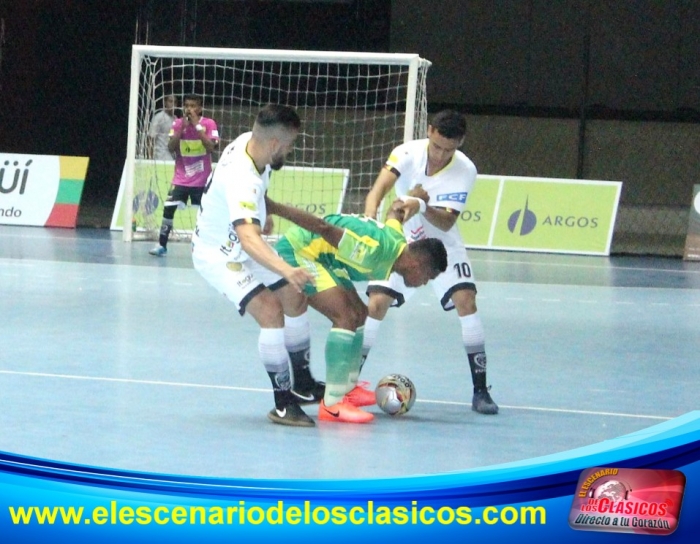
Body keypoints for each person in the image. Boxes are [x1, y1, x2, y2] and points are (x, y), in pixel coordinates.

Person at [191, 104, 325, 428]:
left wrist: (261, 218)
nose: (290, 151)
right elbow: (248, 238)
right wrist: (286, 269)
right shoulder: (243, 176)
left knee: (295, 298)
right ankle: (282, 405)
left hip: (240, 242)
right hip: (219, 254)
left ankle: (304, 384)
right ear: (276, 144)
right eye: (290, 145)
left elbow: (250, 212)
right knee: (269, 310)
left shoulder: (250, 144)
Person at [363, 110, 499, 415]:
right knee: (375, 304)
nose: (440, 155)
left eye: (449, 150)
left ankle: (480, 391)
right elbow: (378, 190)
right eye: (436, 146)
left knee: (466, 300)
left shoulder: (465, 170)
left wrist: (420, 204)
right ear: (429, 131)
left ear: (460, 143)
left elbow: (447, 222)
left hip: (442, 243)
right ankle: (346, 385)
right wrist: (371, 219)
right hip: (402, 241)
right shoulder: (406, 153)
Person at [269, 198, 448, 424]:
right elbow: (322, 228)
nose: (423, 283)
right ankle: (332, 404)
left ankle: (348, 390)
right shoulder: (372, 251)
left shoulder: (398, 242)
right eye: (427, 278)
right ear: (417, 265)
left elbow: (394, 213)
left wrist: (415, 199)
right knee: (344, 317)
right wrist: (274, 207)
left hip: (328, 257)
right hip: (299, 251)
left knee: (360, 314)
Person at [149, 94, 219, 256]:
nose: (189, 109)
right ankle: (162, 245)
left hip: (202, 181)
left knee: (207, 215)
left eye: (193, 106)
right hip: (180, 178)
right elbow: (171, 147)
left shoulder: (209, 124)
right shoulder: (178, 123)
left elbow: (210, 148)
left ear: (200, 109)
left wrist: (197, 127)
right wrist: (183, 128)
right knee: (168, 209)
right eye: (187, 106)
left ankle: (208, 246)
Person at [148, 94, 178, 161]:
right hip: (160, 156)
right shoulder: (158, 117)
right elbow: (151, 139)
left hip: (173, 155)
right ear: (165, 102)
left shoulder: (176, 119)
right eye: (170, 101)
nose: (173, 104)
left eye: (175, 102)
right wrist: (150, 158)